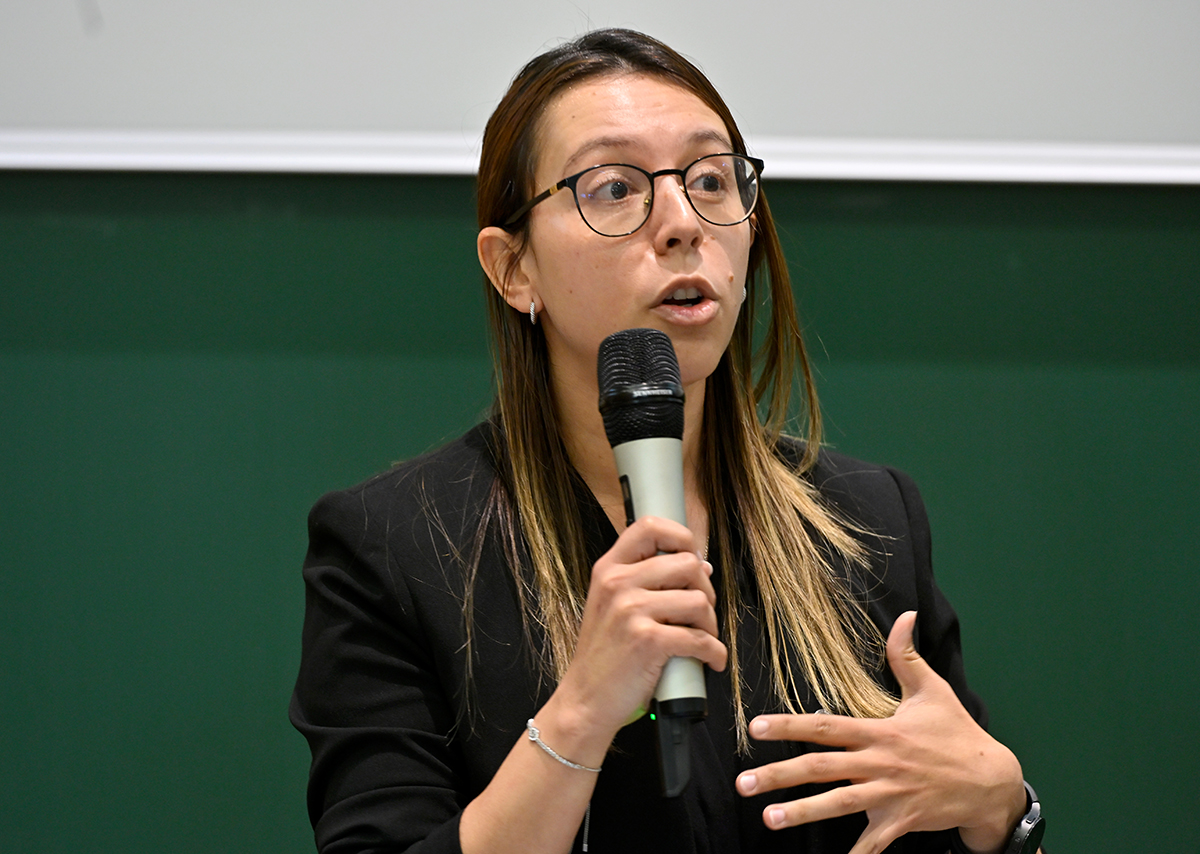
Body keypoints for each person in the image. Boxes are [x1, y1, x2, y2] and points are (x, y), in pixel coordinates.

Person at [291, 28, 1042, 854]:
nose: (684, 224)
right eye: (614, 188)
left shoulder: (866, 521)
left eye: (712, 180)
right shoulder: (395, 548)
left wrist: (1000, 810)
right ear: (514, 270)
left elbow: (958, 806)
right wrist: (580, 714)